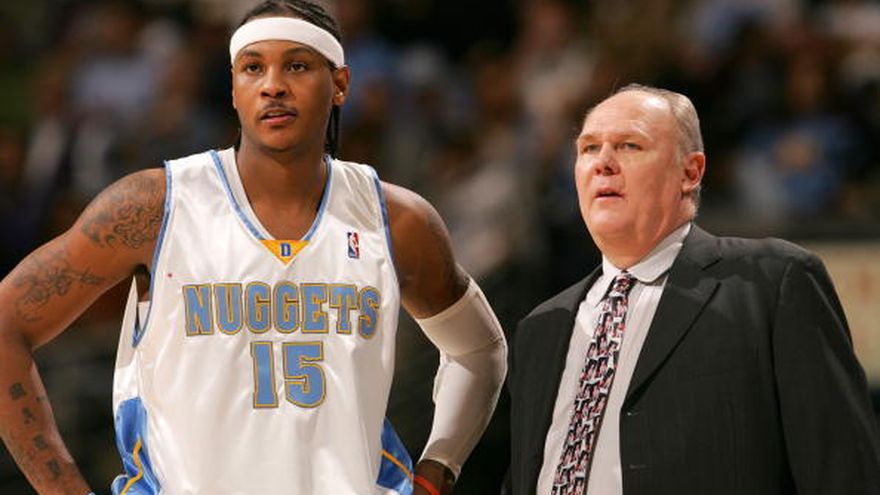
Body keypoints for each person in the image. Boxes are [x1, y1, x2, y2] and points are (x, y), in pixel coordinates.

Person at [0, 1, 508, 494]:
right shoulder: (154, 208)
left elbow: (479, 350)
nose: (273, 85)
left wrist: (437, 470)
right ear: (233, 89)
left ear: (340, 85)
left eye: (297, 65)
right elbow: (6, 325)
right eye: (252, 67)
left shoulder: (396, 220)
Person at [507, 83, 880, 494]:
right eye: (589, 148)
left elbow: (843, 472)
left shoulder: (770, 282)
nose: (603, 163)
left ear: (690, 172)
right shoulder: (540, 329)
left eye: (629, 145)